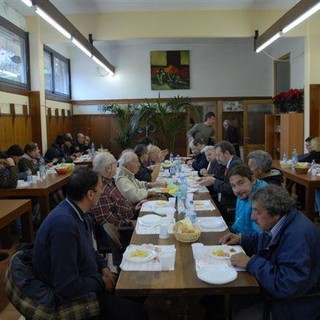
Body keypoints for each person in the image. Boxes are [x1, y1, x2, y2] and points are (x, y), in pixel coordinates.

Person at [33, 167, 148, 320]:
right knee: (137, 313)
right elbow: (66, 285)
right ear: (90, 194)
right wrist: (100, 282)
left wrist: (103, 266)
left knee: (139, 288)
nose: (103, 192)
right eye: (101, 188)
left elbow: (89, 250)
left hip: (90, 278)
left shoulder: (79, 213)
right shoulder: (64, 226)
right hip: (72, 297)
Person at [219, 185, 320, 320]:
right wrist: (241, 239)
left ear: (276, 213)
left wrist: (251, 262)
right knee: (231, 299)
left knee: (239, 311)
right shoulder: (286, 220)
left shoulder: (297, 236)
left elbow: (287, 284)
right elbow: (268, 241)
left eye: (257, 212)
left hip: (297, 305)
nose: (252, 217)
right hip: (282, 294)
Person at [89, 152, 140, 227]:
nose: (117, 165)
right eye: (115, 163)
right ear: (108, 168)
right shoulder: (101, 189)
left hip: (131, 215)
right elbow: (108, 222)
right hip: (126, 229)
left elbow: (119, 205)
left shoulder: (110, 180)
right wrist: (131, 223)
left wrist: (133, 209)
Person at [199, 140, 242, 221]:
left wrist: (214, 181)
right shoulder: (230, 163)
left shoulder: (236, 165)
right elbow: (224, 180)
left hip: (229, 207)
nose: (217, 159)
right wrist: (210, 178)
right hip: (223, 202)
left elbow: (231, 189)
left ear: (227, 153)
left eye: (218, 155)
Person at [228, 164, 267, 234]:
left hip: (246, 241)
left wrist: (239, 239)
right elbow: (238, 222)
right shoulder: (244, 192)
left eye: (241, 183)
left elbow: (259, 237)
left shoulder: (262, 198)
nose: (237, 190)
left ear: (253, 180)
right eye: (233, 186)